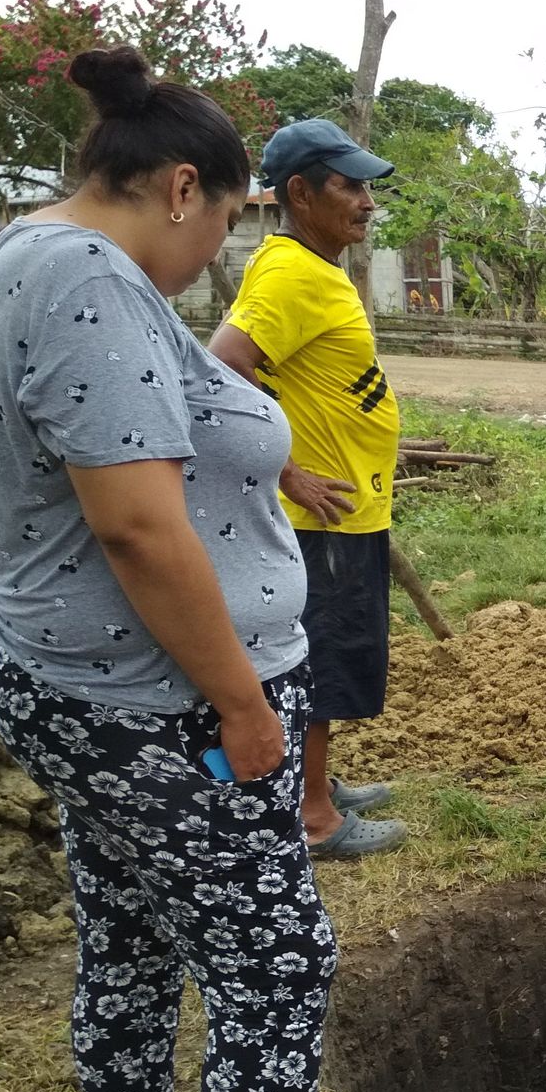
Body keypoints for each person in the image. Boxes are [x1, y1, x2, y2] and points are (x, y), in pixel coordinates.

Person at [0, 47, 444, 1092]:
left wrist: (17, 529)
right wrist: (243, 709)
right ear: (183, 188)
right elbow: (147, 535)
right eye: (221, 223)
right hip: (160, 705)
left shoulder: (14, 256)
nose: (216, 254)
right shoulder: (89, 280)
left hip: (76, 680)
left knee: (131, 933)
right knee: (276, 964)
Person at [210, 118, 406, 860]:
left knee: (333, 651)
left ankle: (314, 780)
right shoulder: (292, 271)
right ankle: (315, 816)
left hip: (347, 505)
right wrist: (284, 469)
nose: (366, 201)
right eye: (349, 185)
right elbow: (225, 362)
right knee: (321, 655)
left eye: (365, 187)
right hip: (318, 511)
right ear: (301, 191)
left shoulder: (314, 267)